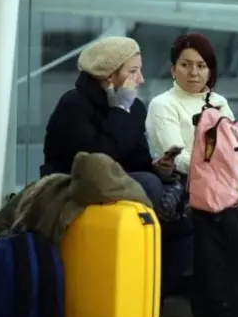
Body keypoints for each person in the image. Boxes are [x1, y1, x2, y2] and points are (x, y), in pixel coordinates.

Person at [42, 36, 174, 205]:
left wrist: (157, 168)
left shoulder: (134, 107)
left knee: (174, 187)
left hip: (119, 179)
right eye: (133, 72)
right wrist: (119, 110)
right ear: (109, 75)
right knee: (148, 184)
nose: (140, 79)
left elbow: (135, 158)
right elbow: (99, 159)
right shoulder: (73, 105)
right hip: (74, 183)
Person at [146, 33, 235, 176]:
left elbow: (235, 146)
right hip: (186, 180)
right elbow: (178, 159)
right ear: (173, 70)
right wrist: (221, 170)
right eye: (185, 65)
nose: (193, 73)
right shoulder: (162, 104)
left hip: (224, 177)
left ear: (209, 72)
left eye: (201, 66)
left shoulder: (219, 102)